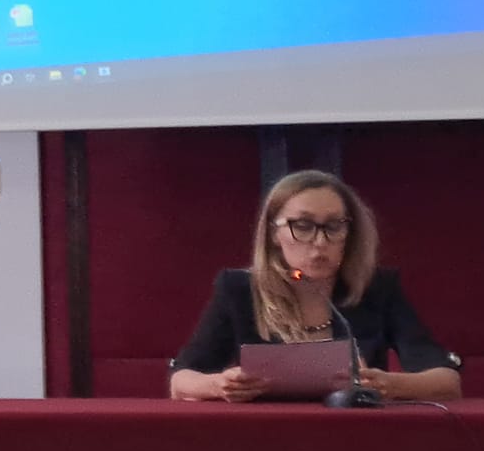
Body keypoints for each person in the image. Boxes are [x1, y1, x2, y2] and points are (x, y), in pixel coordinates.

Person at [168, 170, 464, 402]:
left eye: (334, 226)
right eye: (303, 226)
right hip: (261, 436)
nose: (320, 242)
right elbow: (181, 380)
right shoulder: (239, 289)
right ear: (274, 233)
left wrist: (390, 384)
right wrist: (219, 385)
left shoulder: (377, 288)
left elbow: (447, 381)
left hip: (358, 435)